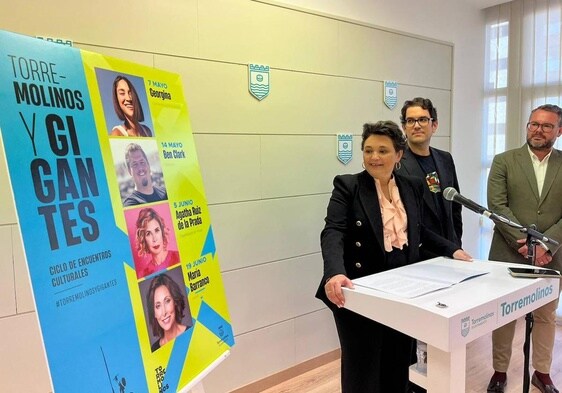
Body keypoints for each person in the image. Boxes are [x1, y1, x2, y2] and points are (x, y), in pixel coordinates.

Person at [316, 121, 472, 393]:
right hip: (360, 287)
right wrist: (334, 272)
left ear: (399, 155)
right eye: (368, 150)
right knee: (362, 365)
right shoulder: (348, 185)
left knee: (398, 358)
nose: (374, 157)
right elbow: (333, 231)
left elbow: (420, 230)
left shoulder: (412, 186)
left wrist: (452, 249)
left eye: (383, 151)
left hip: (403, 285)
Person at [486, 104, 562, 393]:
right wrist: (529, 245)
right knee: (504, 316)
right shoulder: (504, 160)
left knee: (545, 316)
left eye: (546, 126)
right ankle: (499, 372)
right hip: (509, 253)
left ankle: (541, 373)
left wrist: (545, 246)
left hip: (553, 258)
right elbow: (497, 206)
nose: (538, 130)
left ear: (559, 130)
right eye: (533, 124)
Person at [397, 97, 462, 257]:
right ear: (404, 127)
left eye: (423, 120)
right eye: (410, 121)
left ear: (434, 125)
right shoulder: (397, 163)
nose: (416, 125)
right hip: (416, 253)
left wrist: (455, 244)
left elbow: (455, 207)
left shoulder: (445, 158)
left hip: (449, 250)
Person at [146, 273, 188, 352]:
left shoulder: (192, 331)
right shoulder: (154, 349)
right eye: (158, 306)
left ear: (175, 301)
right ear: (154, 313)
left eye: (167, 301)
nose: (164, 312)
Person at [135, 207, 180, 278]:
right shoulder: (143, 275)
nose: (154, 239)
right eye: (148, 233)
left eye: (157, 230)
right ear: (144, 239)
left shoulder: (178, 257)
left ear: (162, 232)